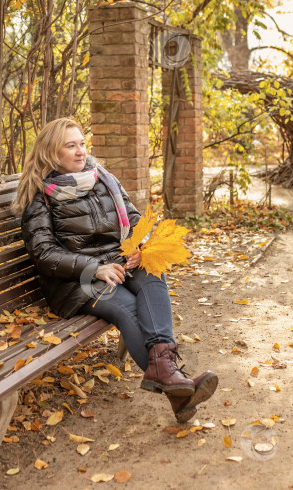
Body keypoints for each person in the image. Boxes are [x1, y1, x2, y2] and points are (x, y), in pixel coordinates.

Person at [11, 117, 217, 423]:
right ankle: (175, 385)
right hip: (74, 281)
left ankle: (166, 373)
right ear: (51, 153)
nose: (81, 151)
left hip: (119, 262)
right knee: (127, 307)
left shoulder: (101, 178)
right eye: (71, 146)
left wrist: (138, 247)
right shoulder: (39, 196)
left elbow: (133, 218)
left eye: (82, 143)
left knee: (152, 273)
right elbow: (44, 254)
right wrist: (95, 268)